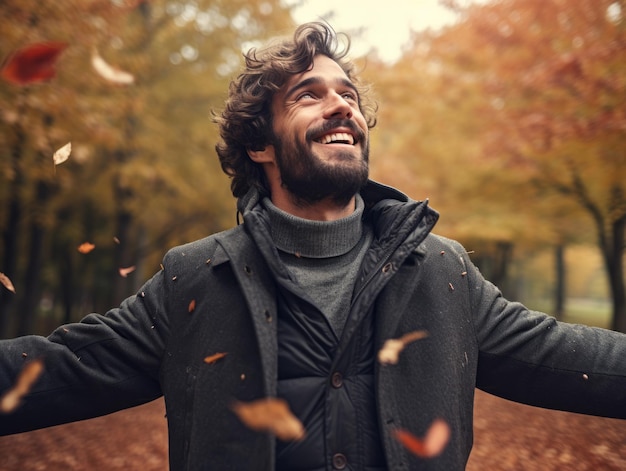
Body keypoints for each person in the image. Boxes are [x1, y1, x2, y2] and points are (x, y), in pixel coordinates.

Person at [1, 21, 625, 471]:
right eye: (309, 95)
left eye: (347, 95)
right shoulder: (194, 279)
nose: (341, 106)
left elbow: (566, 356)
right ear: (260, 145)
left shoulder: (441, 271)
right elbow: (58, 369)